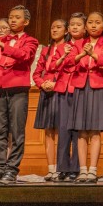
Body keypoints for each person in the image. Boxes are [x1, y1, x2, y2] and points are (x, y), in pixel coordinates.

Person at [0, 6, 39, 183]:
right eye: (11, 17)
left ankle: (12, 168)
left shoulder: (30, 41)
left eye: (17, 17)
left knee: (17, 131)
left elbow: (25, 56)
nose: (12, 20)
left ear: (26, 22)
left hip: (17, 88)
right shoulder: (2, 39)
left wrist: (1, 44)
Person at [69, 11, 103, 184]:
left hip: (99, 88)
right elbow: (68, 62)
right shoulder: (78, 44)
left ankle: (93, 170)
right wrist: (82, 54)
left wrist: (94, 55)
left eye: (97, 22)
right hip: (82, 87)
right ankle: (83, 170)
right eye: (90, 22)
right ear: (86, 26)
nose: (93, 25)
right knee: (81, 131)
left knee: (95, 131)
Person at [49, 12, 86, 182]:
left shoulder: (87, 45)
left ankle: (76, 168)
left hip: (80, 89)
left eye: (78, 24)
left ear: (85, 28)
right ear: (68, 29)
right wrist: (64, 56)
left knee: (78, 130)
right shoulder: (62, 46)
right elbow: (53, 66)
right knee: (63, 130)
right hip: (63, 89)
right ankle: (62, 168)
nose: (75, 27)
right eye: (72, 25)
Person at [32, 18, 69, 181]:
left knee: (61, 131)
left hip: (61, 92)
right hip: (46, 92)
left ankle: (62, 168)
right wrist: (42, 83)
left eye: (58, 27)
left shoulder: (69, 48)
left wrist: (55, 84)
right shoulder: (46, 50)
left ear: (66, 31)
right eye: (53, 27)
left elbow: (68, 71)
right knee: (48, 132)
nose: (54, 30)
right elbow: (36, 73)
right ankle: (51, 169)